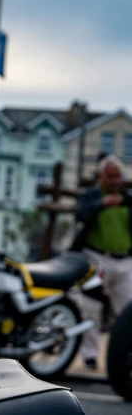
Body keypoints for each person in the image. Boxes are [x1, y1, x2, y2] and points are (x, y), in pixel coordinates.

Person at [73, 155, 132, 370]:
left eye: (118, 176)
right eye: (111, 176)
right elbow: (79, 215)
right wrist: (101, 204)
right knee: (91, 307)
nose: (115, 180)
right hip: (96, 258)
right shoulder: (90, 196)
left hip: (125, 261)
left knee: (128, 310)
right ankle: (90, 355)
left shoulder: (127, 198)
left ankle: (125, 357)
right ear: (101, 177)